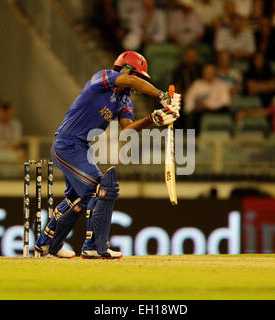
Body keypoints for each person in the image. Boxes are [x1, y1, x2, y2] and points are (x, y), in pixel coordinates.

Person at [34, 51, 181, 259]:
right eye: (138, 76)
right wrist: (162, 96)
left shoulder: (124, 99)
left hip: (81, 148)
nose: (139, 82)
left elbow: (128, 129)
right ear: (128, 71)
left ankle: (46, 244)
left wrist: (153, 118)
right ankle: (93, 246)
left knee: (77, 198)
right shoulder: (103, 77)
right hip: (66, 145)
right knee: (100, 187)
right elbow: (132, 81)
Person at [185, 63, 232, 135]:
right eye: (206, 72)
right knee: (189, 117)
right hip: (199, 112)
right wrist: (194, 108)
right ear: (203, 73)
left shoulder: (222, 85)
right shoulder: (197, 84)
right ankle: (194, 142)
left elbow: (225, 102)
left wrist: (208, 106)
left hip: (218, 111)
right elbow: (189, 100)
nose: (208, 74)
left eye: (211, 72)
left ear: (215, 73)